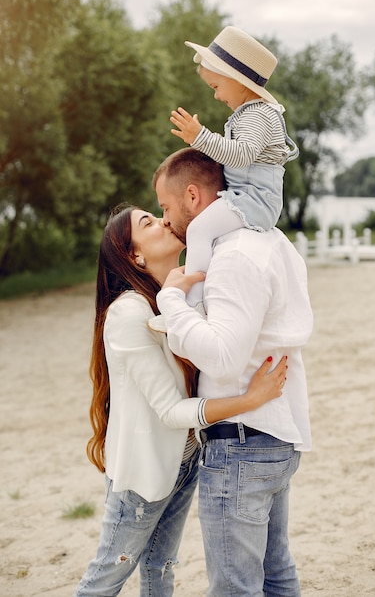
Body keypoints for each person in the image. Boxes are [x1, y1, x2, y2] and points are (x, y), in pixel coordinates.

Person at [73, 203, 288, 597]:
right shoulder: (127, 314)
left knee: (160, 568)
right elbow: (171, 411)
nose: (164, 221)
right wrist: (249, 399)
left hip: (185, 462)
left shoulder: (173, 298)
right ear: (135, 255)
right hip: (144, 475)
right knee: (105, 578)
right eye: (148, 222)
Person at [153, 148, 313, 597]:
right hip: (271, 433)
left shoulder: (235, 256)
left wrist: (170, 301)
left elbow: (222, 356)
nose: (166, 220)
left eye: (166, 208)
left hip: (244, 445)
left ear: (192, 195)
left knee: (235, 589)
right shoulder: (271, 241)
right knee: (276, 574)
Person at [169, 25, 299, 307]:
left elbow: (241, 155)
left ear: (238, 80)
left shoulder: (258, 115)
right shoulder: (252, 113)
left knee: (199, 231)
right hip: (247, 196)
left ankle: (193, 304)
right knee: (206, 231)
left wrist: (200, 137)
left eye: (216, 87)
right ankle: (208, 293)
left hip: (255, 200)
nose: (215, 96)